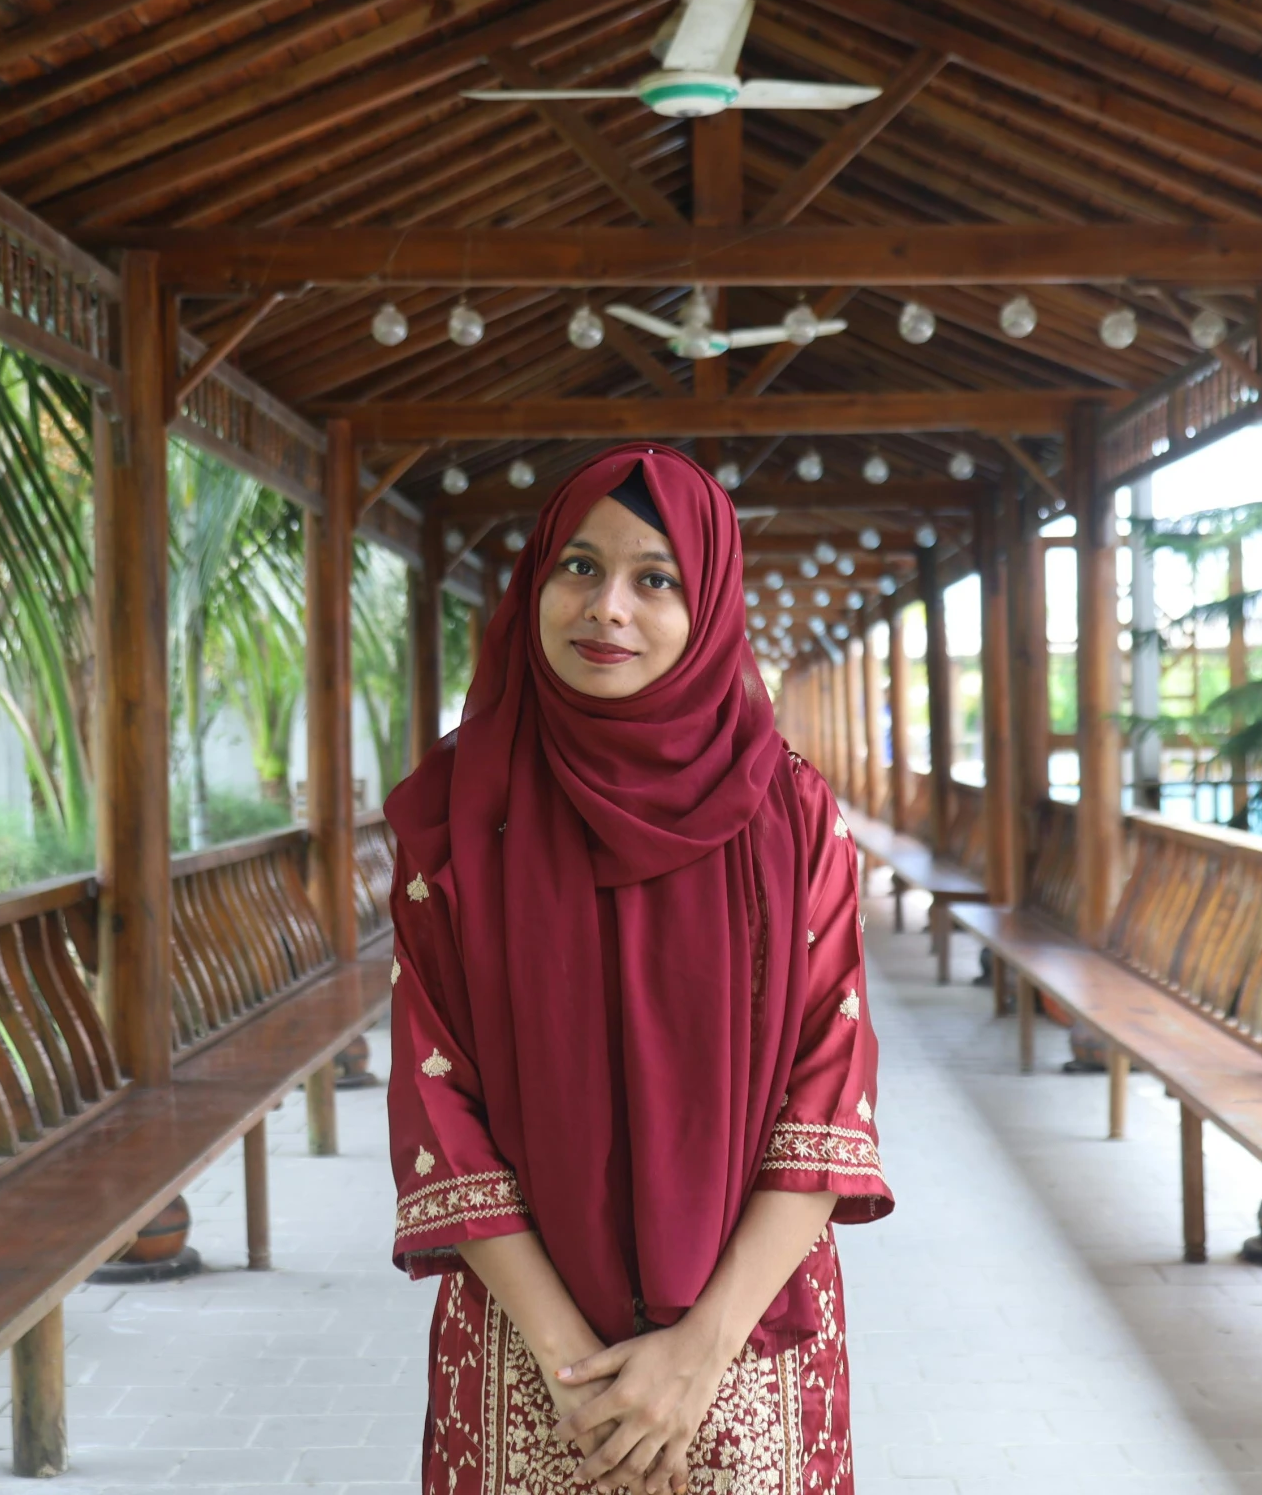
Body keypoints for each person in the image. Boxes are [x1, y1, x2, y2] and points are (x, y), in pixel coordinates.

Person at [382, 443, 891, 1495]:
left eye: (654, 578)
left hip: (744, 1343)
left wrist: (697, 1355)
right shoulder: (459, 812)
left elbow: (826, 1093)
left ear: (706, 604)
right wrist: (576, 1372)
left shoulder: (790, 815)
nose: (606, 606)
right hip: (531, 1345)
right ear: (533, 585)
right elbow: (439, 1103)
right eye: (579, 567)